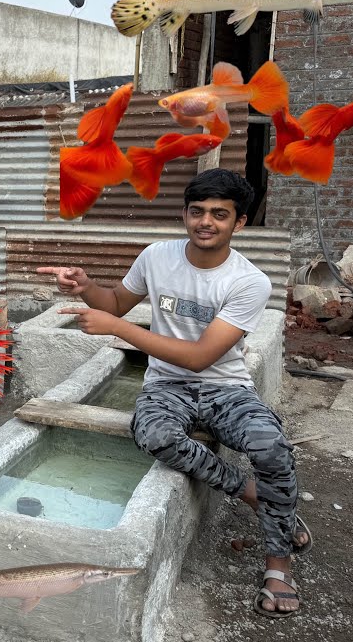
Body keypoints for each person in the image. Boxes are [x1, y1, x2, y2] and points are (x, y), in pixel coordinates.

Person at [37, 168, 309, 618]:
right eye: (197, 211)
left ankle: (278, 565)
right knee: (154, 435)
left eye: (219, 214)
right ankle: (250, 492)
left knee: (271, 446)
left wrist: (120, 330)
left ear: (238, 223)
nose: (206, 222)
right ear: (184, 214)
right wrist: (86, 288)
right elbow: (115, 304)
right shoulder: (157, 256)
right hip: (167, 385)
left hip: (226, 388)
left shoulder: (249, 281)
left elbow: (201, 357)